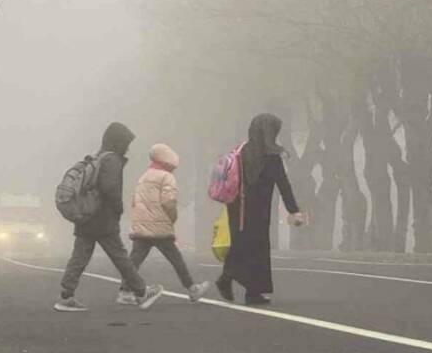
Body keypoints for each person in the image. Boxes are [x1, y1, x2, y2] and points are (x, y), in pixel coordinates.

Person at [55, 122, 164, 312]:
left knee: (79, 258)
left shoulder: (98, 157)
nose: (128, 147)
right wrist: (119, 209)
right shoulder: (111, 160)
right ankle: (141, 293)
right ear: (117, 142)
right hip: (102, 217)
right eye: (126, 143)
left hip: (86, 215)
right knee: (120, 256)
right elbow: (110, 189)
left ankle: (66, 296)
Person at [217, 113, 305, 305]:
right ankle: (250, 290)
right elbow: (283, 185)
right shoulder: (271, 156)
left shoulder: (241, 151)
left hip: (237, 207)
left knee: (240, 244)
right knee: (258, 248)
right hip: (259, 209)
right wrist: (294, 210)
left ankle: (231, 279)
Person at [116, 143, 210, 304]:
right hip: (160, 227)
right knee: (176, 258)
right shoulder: (167, 177)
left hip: (142, 227)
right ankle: (192, 289)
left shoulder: (143, 176)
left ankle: (125, 292)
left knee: (134, 261)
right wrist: (172, 218)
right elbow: (169, 202)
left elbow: (134, 201)